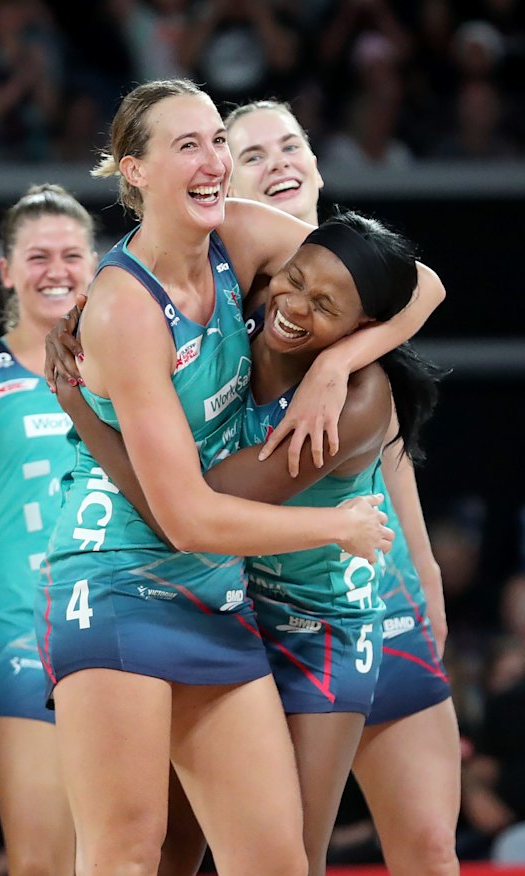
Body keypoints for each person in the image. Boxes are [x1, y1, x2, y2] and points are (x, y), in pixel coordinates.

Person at [37, 79, 444, 876]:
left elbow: (417, 281)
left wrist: (338, 362)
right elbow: (183, 516)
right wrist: (337, 525)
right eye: (188, 144)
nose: (214, 159)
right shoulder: (123, 308)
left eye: (217, 141)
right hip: (121, 569)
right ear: (134, 171)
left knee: (275, 862)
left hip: (223, 590)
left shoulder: (245, 233)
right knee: (126, 851)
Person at [224, 99, 461, 875]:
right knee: (285, 852)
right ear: (223, 179)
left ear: (319, 165)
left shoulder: (361, 276)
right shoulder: (238, 279)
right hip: (272, 603)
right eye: (253, 154)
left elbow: (387, 452)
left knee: (428, 845)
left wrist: (423, 570)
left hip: (374, 591)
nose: (280, 162)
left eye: (291, 144)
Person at [0, 184, 98, 875]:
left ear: (96, 265)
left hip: (129, 618)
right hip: (19, 622)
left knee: (131, 854)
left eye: (70, 254)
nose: (55, 270)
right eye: (37, 256)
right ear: (6, 269)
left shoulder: (136, 368)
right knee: (42, 861)